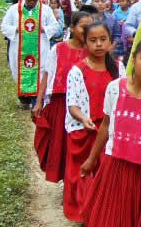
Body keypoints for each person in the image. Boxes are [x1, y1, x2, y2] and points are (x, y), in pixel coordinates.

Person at [80, 36, 141, 227]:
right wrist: (92, 159)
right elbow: (106, 125)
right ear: (133, 58)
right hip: (113, 171)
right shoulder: (115, 88)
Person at [62, 21, 121, 222]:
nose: (98, 44)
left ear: (110, 42)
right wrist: (83, 118)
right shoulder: (77, 71)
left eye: (103, 39)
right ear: (85, 43)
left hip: (109, 132)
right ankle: (83, 214)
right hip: (84, 131)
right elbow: (72, 104)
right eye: (93, 40)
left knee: (105, 175)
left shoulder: (118, 69)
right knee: (81, 174)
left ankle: (101, 214)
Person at [31, 11, 92, 184]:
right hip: (60, 104)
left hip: (84, 106)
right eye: (83, 27)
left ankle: (79, 182)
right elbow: (47, 74)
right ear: (72, 28)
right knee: (61, 144)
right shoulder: (58, 49)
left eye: (90, 27)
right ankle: (67, 181)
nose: (87, 31)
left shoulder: (93, 51)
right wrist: (38, 102)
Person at [0, 0, 60, 109]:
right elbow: (4, 26)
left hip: (40, 48)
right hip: (20, 47)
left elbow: (54, 26)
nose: (32, 2)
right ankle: (24, 99)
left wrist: (44, 29)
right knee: (20, 71)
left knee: (40, 72)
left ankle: (36, 99)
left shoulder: (45, 10)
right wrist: (16, 29)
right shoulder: (14, 9)